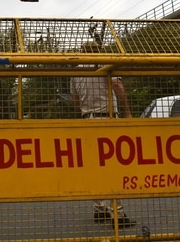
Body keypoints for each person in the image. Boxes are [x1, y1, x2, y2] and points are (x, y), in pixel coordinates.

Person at [70, 41, 135, 229]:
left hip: (87, 121)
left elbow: (75, 101)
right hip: (107, 119)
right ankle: (119, 213)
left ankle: (100, 209)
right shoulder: (105, 65)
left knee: (94, 167)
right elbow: (118, 87)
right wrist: (127, 111)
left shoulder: (76, 72)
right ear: (98, 51)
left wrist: (81, 116)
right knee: (114, 166)